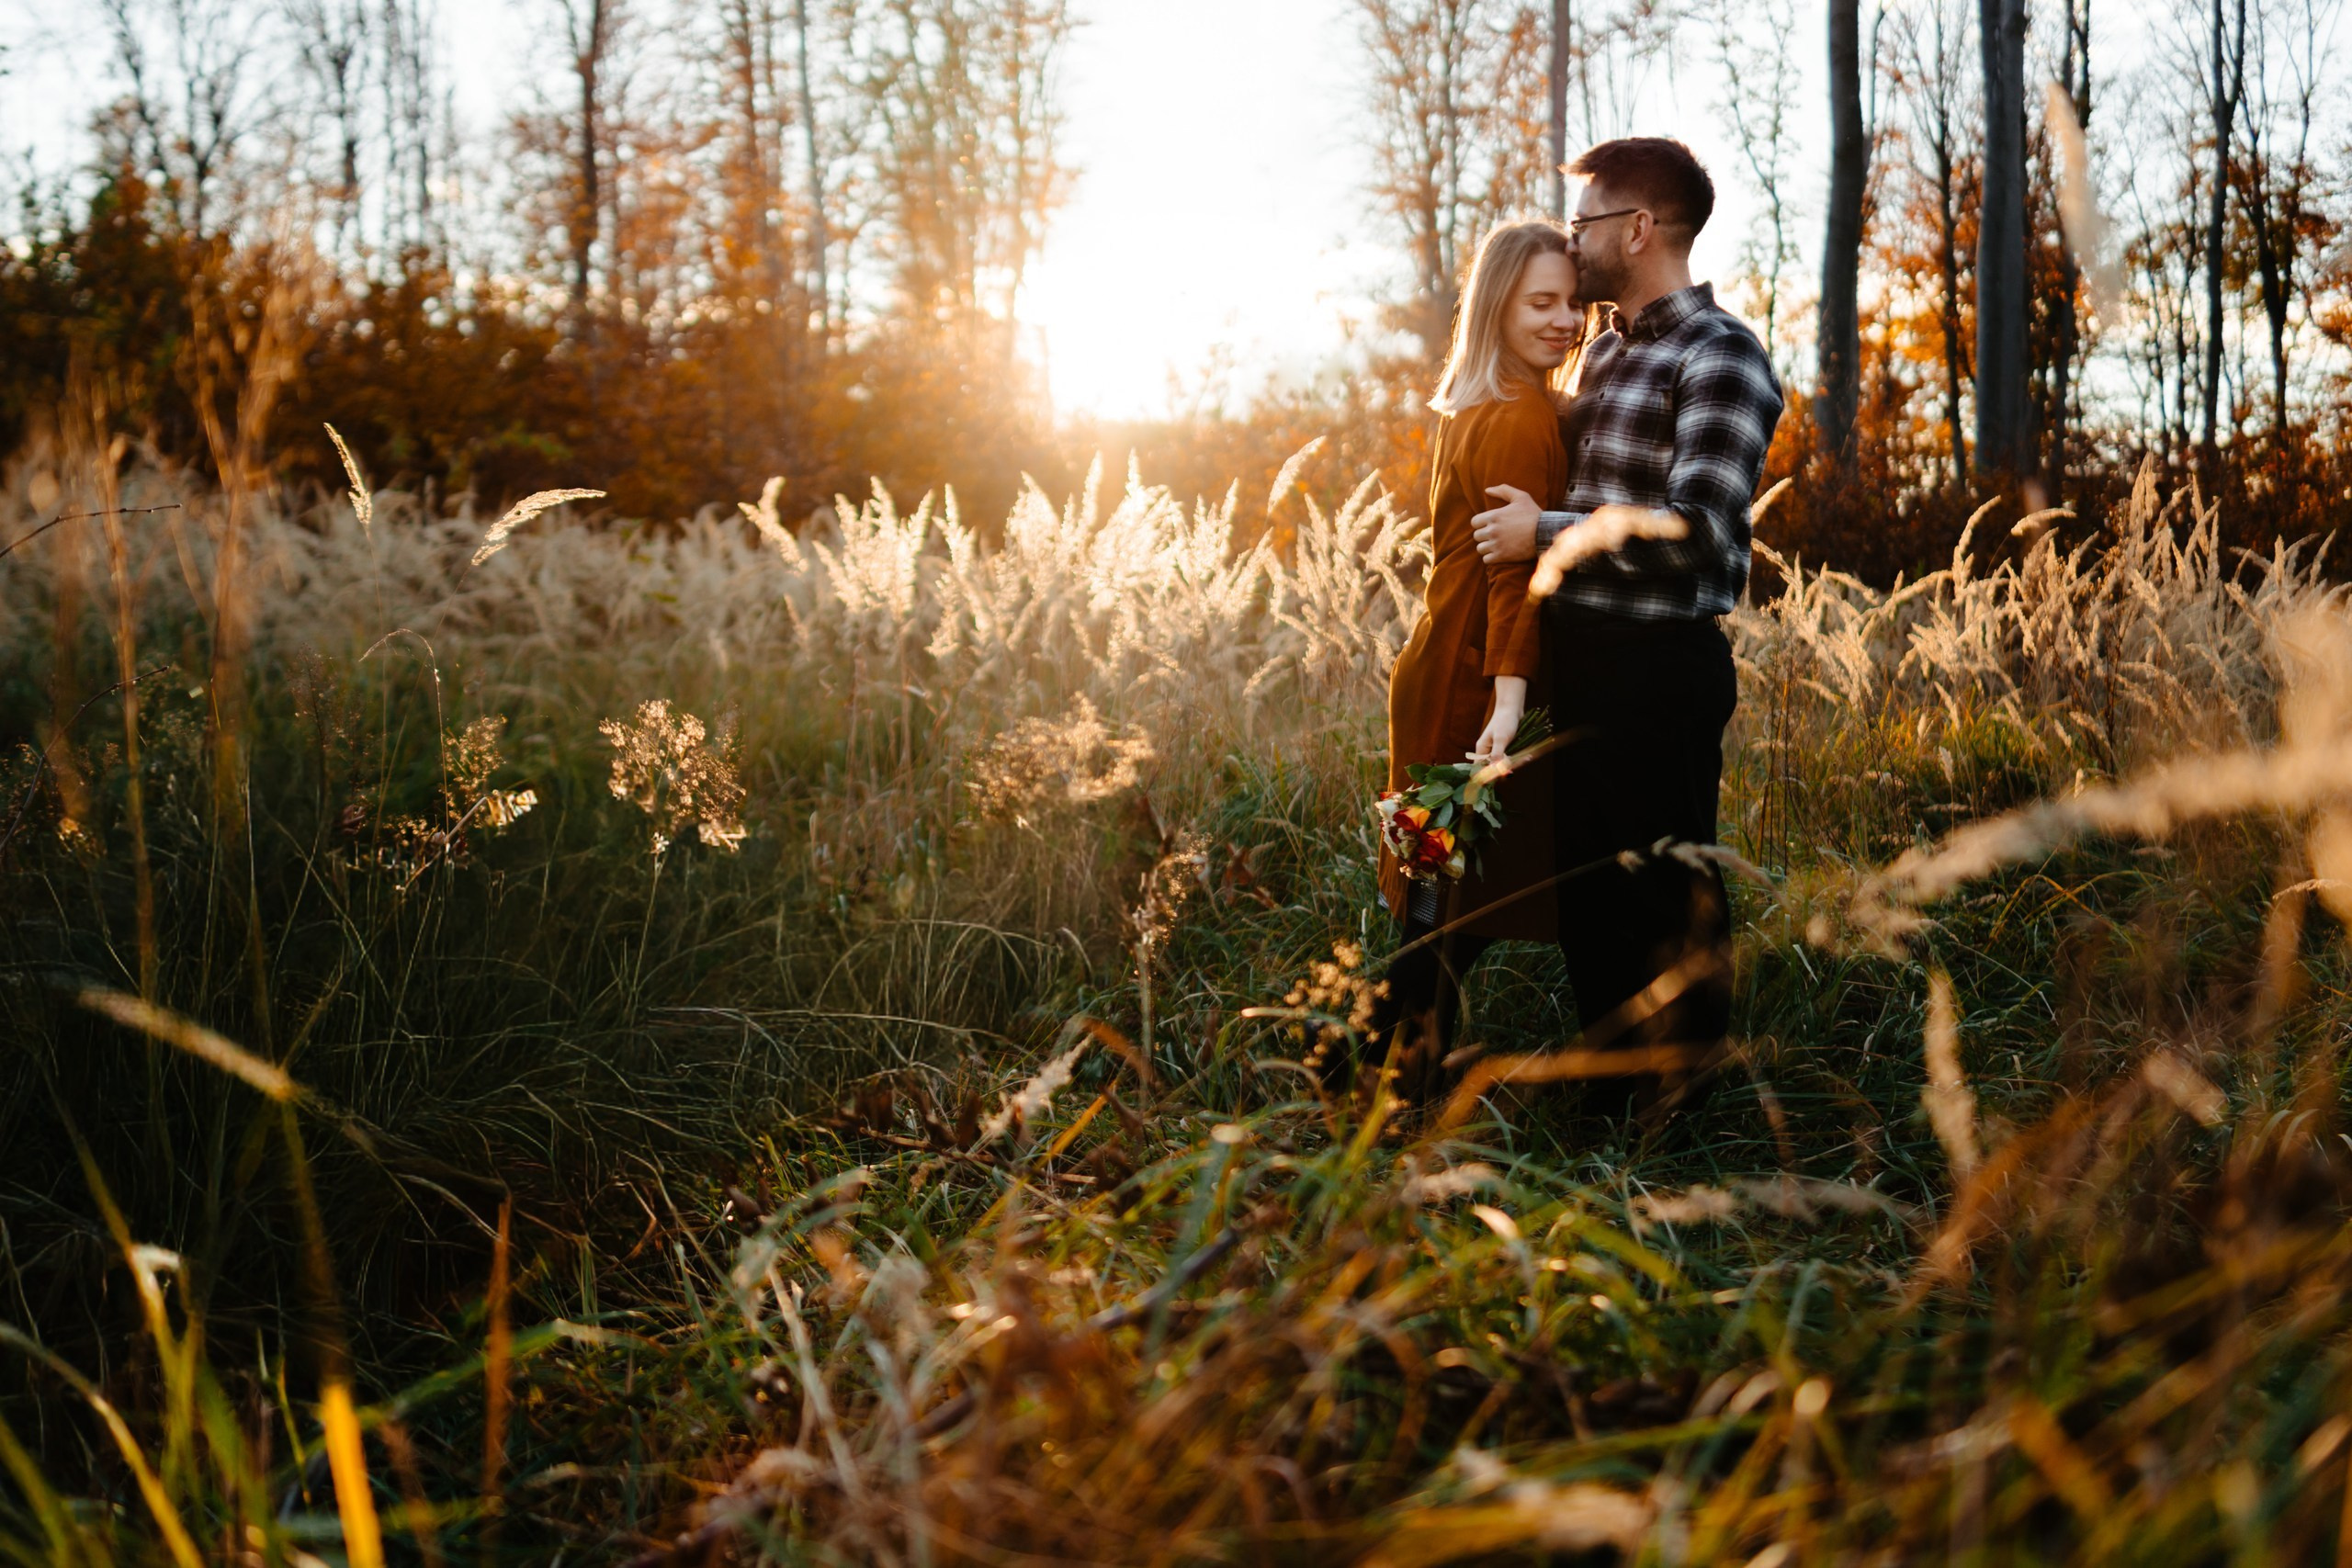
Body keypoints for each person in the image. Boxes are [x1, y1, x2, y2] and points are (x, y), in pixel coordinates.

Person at [1470, 138, 1783, 1114]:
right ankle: (1610, 1103)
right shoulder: (1602, 350)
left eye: (1586, 222)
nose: (1574, 241)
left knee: (1666, 889)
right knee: (1590, 893)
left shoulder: (1720, 355)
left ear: (1639, 228)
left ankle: (1682, 1114)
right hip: (1581, 661)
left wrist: (1542, 533)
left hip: (1660, 668)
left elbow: (1696, 532)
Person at [1357, 218, 1584, 1100]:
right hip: (1471, 675)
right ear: (1496, 308)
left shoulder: (1481, 403)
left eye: (1572, 302)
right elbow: (1511, 574)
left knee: (1442, 894)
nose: (1565, 320)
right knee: (1448, 904)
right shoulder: (1520, 414)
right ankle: (1371, 1087)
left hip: (1440, 660)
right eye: (1541, 303)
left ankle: (1375, 1082)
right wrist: (1508, 699)